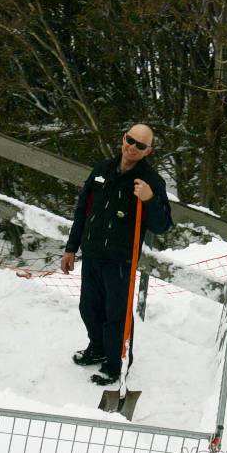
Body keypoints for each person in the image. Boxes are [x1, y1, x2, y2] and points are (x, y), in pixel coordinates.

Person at [61, 123, 172, 385]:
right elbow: (82, 211)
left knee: (116, 315)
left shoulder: (152, 182)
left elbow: (162, 225)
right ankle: (97, 348)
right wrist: (71, 248)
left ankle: (116, 362)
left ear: (148, 151)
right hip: (92, 254)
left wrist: (149, 199)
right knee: (89, 307)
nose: (132, 147)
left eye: (140, 145)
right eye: (130, 140)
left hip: (120, 260)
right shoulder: (101, 171)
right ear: (123, 138)